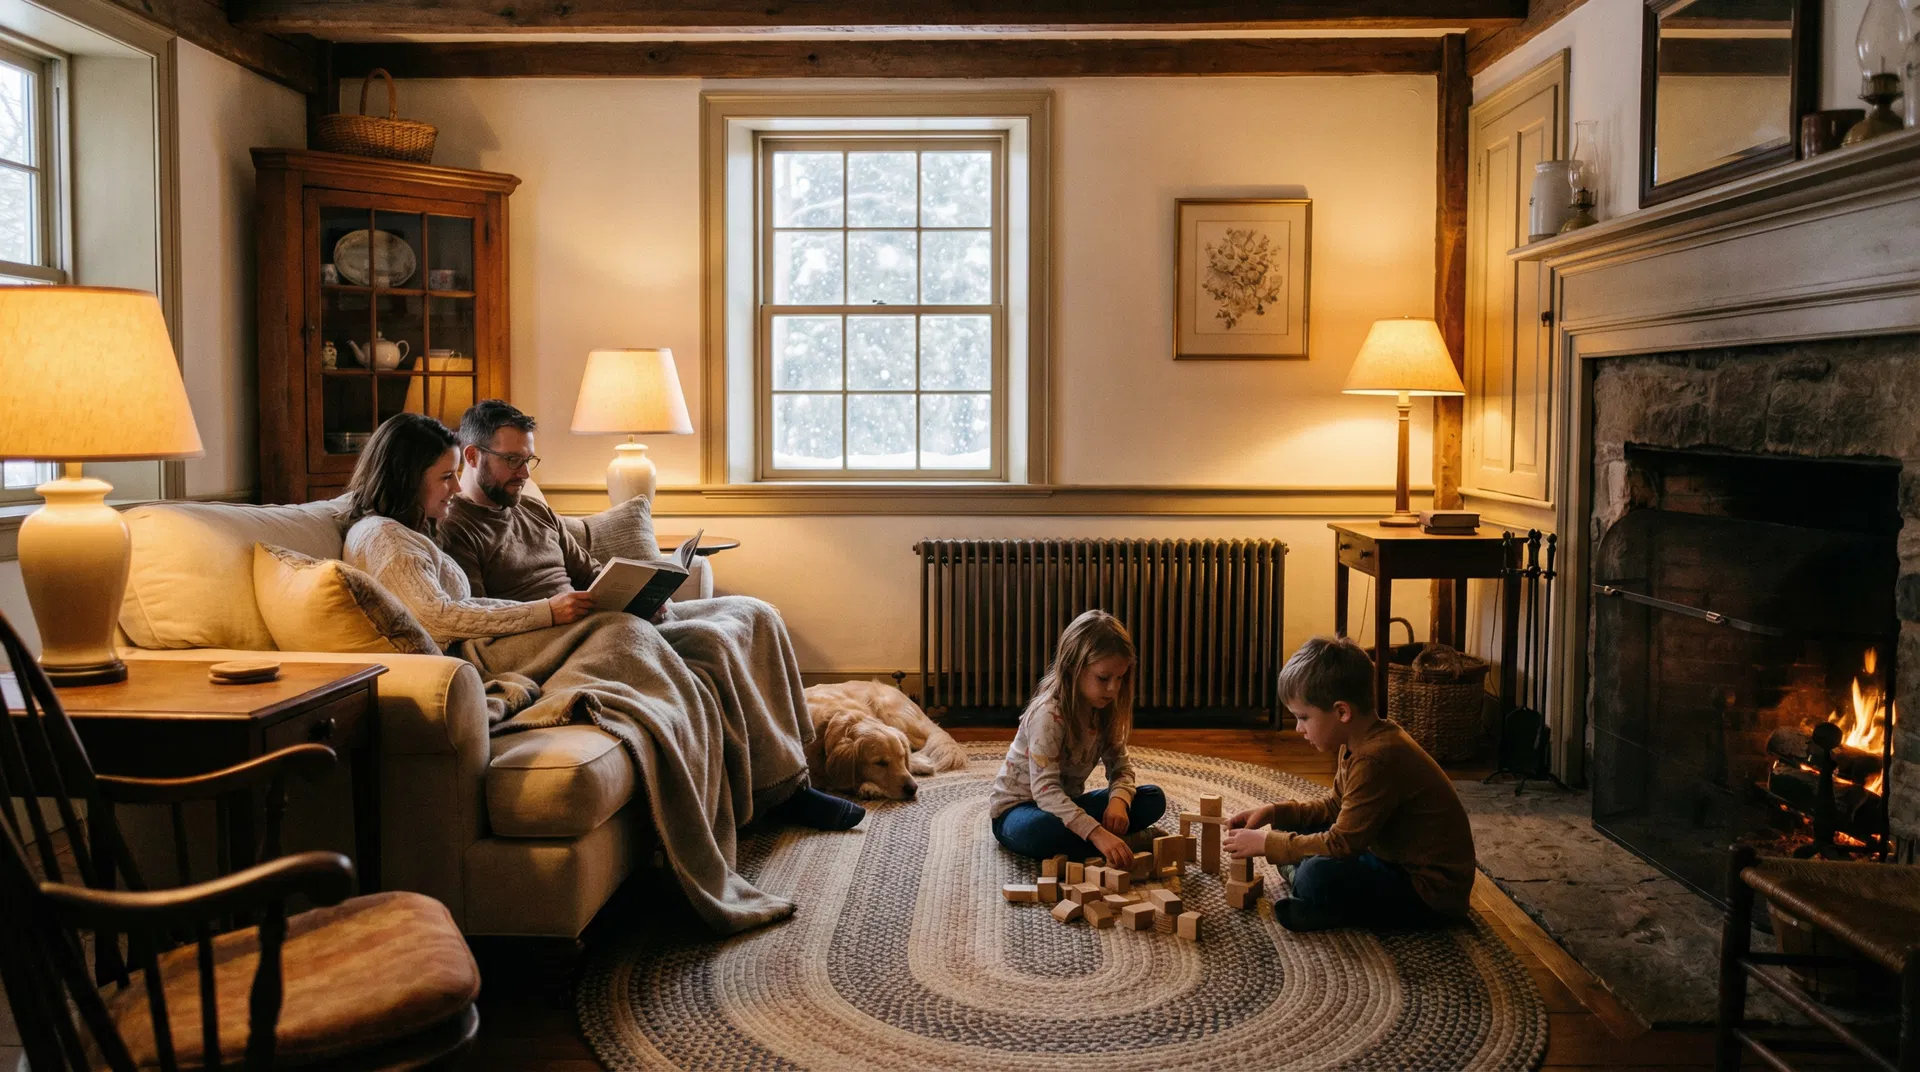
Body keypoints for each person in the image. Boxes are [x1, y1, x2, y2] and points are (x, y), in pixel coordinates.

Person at [437, 399, 862, 832]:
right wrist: (551, 613)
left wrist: (638, 589)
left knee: (752, 613)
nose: (525, 474)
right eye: (512, 461)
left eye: (528, 460)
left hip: (592, 615)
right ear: (472, 456)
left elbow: (587, 569)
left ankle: (793, 771)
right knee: (708, 642)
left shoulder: (533, 508)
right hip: (552, 640)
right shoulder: (455, 528)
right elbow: (482, 617)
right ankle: (783, 796)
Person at [1223, 635, 1476, 933]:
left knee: (1315, 875)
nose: (1298, 728)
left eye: (1303, 717)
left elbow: (1341, 844)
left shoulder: (1376, 760)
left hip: (1429, 892)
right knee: (1284, 826)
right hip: (1385, 851)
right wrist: (1273, 811)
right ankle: (1303, 877)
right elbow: (1334, 807)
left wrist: (1266, 845)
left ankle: (1314, 895)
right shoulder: (1356, 740)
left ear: (1342, 712)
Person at [987, 610, 1167, 868]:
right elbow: (1045, 792)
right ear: (1072, 668)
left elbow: (1121, 768)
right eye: (1103, 678)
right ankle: (1127, 842)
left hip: (1065, 806)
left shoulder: (1105, 711)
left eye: (1120, 678)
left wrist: (1118, 802)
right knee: (1042, 832)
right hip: (1018, 812)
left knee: (1152, 798)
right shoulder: (1049, 714)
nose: (1113, 689)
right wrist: (1097, 832)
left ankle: (1098, 842)